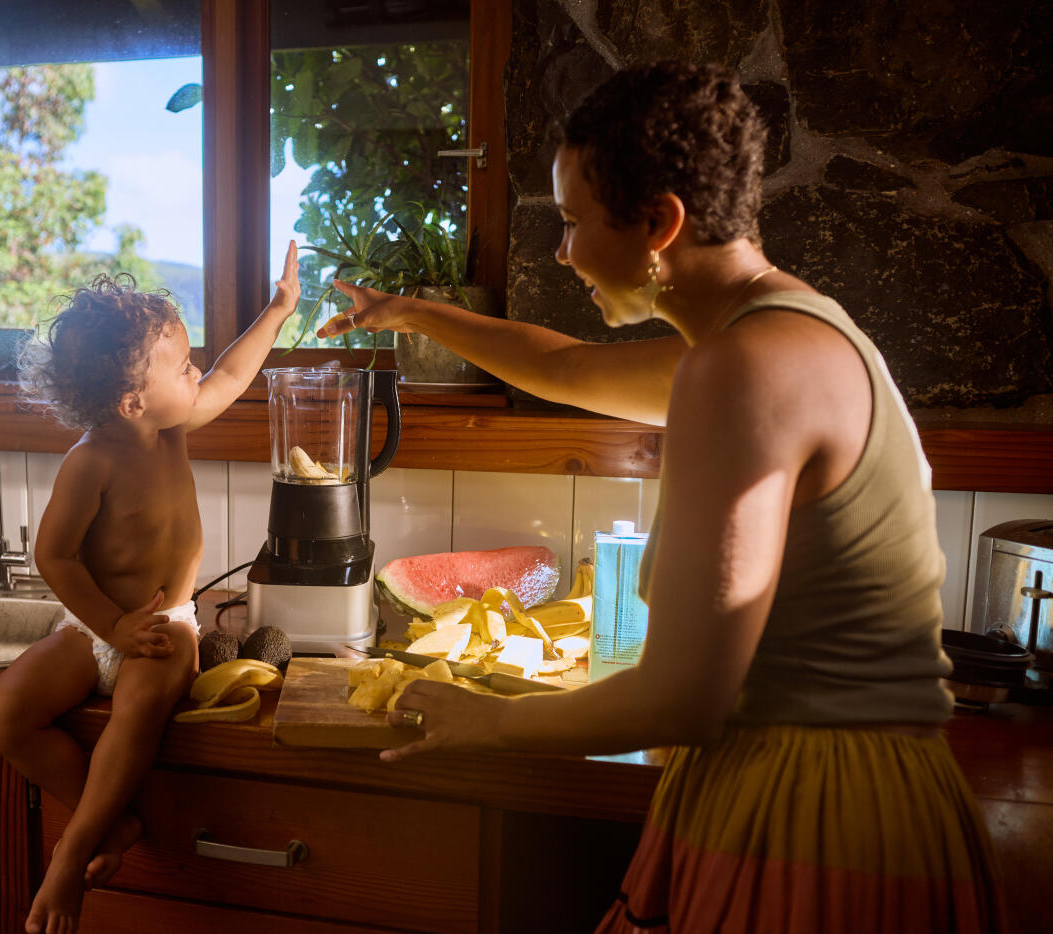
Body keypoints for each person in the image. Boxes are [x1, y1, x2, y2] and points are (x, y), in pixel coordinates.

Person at [318, 62, 1005, 931]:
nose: (561, 251)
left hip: (818, 810)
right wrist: (412, 313)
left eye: (573, 223)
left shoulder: (744, 366)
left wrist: (485, 721)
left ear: (659, 224)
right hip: (842, 790)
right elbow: (567, 368)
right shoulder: (777, 333)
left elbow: (683, 696)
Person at [0, 242, 301, 934]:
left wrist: (278, 311)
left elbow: (232, 373)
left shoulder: (172, 425)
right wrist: (110, 627)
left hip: (169, 623)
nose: (197, 374)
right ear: (132, 401)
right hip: (97, 629)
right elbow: (54, 556)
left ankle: (70, 855)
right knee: (3, 715)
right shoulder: (88, 463)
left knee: (138, 708)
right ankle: (111, 823)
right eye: (182, 367)